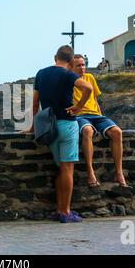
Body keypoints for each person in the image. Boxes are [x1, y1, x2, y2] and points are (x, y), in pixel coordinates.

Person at [23, 45, 93, 223]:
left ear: (55, 57)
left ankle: (59, 210)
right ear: (70, 62)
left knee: (61, 169)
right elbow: (88, 88)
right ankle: (66, 212)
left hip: (49, 127)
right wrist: (78, 107)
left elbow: (35, 103)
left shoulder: (41, 73)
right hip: (67, 125)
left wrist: (32, 127)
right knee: (67, 169)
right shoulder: (68, 74)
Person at [72, 54, 130, 189]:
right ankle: (90, 172)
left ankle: (119, 173)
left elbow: (95, 99)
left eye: (83, 64)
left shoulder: (90, 77)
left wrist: (100, 114)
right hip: (80, 116)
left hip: (96, 115)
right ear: (71, 67)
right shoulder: (68, 80)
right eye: (78, 65)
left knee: (117, 132)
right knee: (87, 131)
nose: (82, 68)